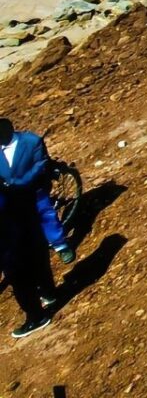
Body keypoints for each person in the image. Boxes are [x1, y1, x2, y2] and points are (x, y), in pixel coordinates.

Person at [0, 119, 70, 339]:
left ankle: (36, 316)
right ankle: (48, 293)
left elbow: (40, 166)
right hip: (19, 214)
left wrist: (17, 185)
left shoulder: (30, 141)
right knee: (36, 256)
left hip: (22, 206)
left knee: (18, 273)